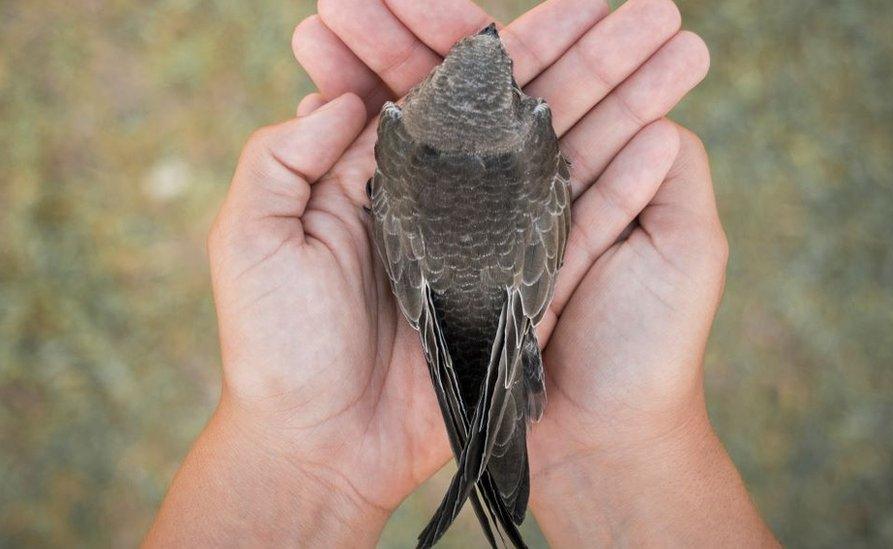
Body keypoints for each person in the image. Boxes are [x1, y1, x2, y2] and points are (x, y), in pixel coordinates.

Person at [144, 0, 779, 546]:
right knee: (482, 375)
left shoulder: (406, 130)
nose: (495, 45)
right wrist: (615, 452)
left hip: (488, 305)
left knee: (482, 381)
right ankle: (494, 413)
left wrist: (298, 458)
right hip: (494, 306)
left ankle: (493, 423)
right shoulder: (501, 131)